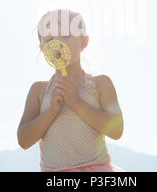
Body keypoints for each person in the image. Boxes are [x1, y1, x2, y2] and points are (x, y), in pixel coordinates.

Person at [17, 9, 125, 172]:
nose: (58, 43)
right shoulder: (39, 90)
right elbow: (24, 140)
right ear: (42, 48)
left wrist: (77, 102)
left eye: (66, 35)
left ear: (84, 41)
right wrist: (51, 111)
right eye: (50, 39)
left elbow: (116, 130)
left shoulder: (100, 84)